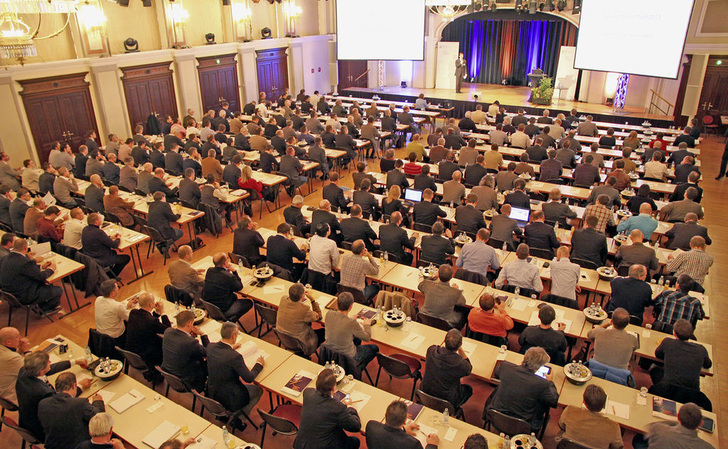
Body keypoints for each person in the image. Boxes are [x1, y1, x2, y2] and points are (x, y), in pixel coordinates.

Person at [16, 351, 90, 441]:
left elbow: (50, 369)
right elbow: (63, 402)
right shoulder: (44, 392)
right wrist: (80, 386)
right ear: (41, 371)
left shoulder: (24, 371)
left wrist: (75, 362)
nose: (50, 362)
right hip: (40, 429)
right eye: (48, 362)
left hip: (26, 421)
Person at [206, 322, 264, 431]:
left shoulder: (211, 346)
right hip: (231, 397)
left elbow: (222, 353)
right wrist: (259, 364)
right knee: (257, 390)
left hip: (212, 393)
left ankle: (223, 416)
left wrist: (231, 348)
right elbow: (249, 378)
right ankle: (238, 418)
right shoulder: (234, 357)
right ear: (233, 336)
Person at [486, 347, 559, 433]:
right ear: (539, 367)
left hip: (496, 417)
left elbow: (497, 372)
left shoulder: (506, 367)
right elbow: (554, 400)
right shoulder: (543, 384)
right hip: (521, 425)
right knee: (542, 404)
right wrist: (550, 381)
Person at [294, 368, 362, 449]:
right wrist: (350, 408)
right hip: (324, 446)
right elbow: (356, 426)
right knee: (355, 441)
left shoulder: (308, 393)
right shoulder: (338, 408)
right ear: (334, 388)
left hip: (301, 444)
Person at [38, 372, 105, 449]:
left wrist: (80, 386)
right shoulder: (80, 404)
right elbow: (99, 416)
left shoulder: (43, 404)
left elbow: (64, 400)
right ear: (73, 386)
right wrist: (97, 401)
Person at [0, 238, 62, 313]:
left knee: (45, 285)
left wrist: (42, 267)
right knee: (58, 290)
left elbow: (24, 270)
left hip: (10, 294)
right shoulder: (25, 262)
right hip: (23, 295)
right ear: (25, 248)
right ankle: (45, 309)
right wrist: (51, 269)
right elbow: (41, 277)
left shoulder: (6, 258)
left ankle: (41, 305)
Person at [556, 384, 624, 449]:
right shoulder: (613, 426)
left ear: (584, 402)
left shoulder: (570, 410)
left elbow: (561, 425)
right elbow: (618, 446)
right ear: (603, 405)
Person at [422, 328, 473, 410]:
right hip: (446, 399)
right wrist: (460, 348)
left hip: (425, 392)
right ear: (461, 344)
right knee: (468, 389)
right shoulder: (460, 364)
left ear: (444, 341)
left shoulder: (431, 350)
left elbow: (437, 347)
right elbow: (469, 368)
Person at [325, 292, 379, 367]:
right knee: (374, 348)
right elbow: (367, 338)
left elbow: (340, 322)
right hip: (347, 356)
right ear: (350, 306)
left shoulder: (329, 314)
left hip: (330, 352)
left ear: (337, 303)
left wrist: (350, 318)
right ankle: (356, 369)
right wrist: (367, 325)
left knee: (357, 339)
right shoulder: (351, 323)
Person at [161, 310, 209, 392]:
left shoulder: (168, 332)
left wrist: (189, 336)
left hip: (170, 374)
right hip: (188, 380)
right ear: (189, 324)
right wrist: (202, 334)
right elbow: (208, 352)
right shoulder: (190, 343)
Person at [125, 292, 171, 374]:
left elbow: (148, 320)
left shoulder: (133, 312)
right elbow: (168, 330)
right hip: (146, 354)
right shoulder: (152, 321)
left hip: (132, 351)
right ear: (150, 305)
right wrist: (162, 312)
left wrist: (156, 313)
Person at [366, 400, 439, 449]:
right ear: (404, 421)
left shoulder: (371, 426)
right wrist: (432, 445)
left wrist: (403, 430)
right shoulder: (412, 443)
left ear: (385, 415)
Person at [639, 402, 714, 449]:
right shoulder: (708, 447)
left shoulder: (659, 429)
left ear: (677, 416)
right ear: (701, 423)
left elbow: (650, 427)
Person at [203, 252, 252, 322]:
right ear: (225, 263)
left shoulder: (209, 271)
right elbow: (239, 287)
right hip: (223, 309)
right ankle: (231, 320)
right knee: (248, 303)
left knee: (234, 296)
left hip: (211, 307)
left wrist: (227, 272)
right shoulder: (228, 276)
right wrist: (234, 271)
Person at [277, 283, 324, 355]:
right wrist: (312, 299)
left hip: (284, 338)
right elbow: (319, 317)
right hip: (300, 342)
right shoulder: (304, 309)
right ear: (303, 296)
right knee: (324, 331)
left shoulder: (283, 299)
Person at [419, 264, 467, 329]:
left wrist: (432, 277)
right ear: (451, 276)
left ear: (438, 274)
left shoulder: (428, 285)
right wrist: (457, 290)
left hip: (424, 317)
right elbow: (462, 303)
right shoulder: (454, 292)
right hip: (445, 322)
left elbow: (420, 285)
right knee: (463, 313)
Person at [94, 280, 134, 344]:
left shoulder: (98, 299)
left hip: (100, 335)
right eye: (117, 287)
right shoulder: (117, 306)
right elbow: (130, 318)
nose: (118, 288)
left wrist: (126, 305)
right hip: (116, 337)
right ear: (112, 293)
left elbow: (111, 309)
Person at [0, 326, 30, 403]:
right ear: (8, 342)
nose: (20, 338)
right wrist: (27, 351)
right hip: (12, 395)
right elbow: (32, 369)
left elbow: (14, 364)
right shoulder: (11, 358)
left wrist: (20, 350)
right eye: (17, 336)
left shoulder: (3, 350)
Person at [308, 223, 340, 291]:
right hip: (324, 274)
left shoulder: (313, 238)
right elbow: (336, 259)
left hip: (311, 271)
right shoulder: (331, 243)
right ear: (327, 232)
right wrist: (333, 267)